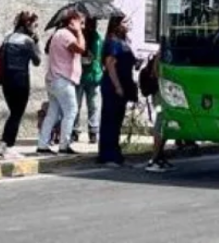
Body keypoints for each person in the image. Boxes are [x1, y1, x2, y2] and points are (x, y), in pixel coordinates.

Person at [36, 9, 86, 155]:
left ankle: (42, 145)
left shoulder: (59, 34)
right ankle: (64, 144)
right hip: (62, 80)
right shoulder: (66, 35)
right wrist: (79, 32)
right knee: (71, 111)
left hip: (55, 79)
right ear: (72, 22)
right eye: (80, 21)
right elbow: (81, 49)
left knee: (53, 113)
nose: (83, 23)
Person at [0, 11, 42, 159]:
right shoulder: (27, 41)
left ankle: (3, 145)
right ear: (27, 24)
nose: (36, 28)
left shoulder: (8, 38)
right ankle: (9, 146)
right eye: (35, 25)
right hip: (20, 80)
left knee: (13, 113)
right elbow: (37, 61)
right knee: (17, 114)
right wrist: (36, 42)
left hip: (6, 81)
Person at [97, 16, 137, 167]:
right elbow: (110, 65)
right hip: (114, 86)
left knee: (117, 121)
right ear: (116, 25)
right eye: (124, 22)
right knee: (110, 120)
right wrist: (118, 86)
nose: (127, 25)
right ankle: (107, 155)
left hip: (123, 84)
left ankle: (115, 153)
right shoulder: (113, 42)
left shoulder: (123, 42)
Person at [73, 18, 102, 144]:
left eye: (94, 23)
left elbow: (97, 55)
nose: (92, 25)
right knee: (76, 105)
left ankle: (93, 131)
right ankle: (75, 131)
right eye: (90, 23)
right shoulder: (79, 36)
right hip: (80, 75)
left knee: (93, 105)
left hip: (93, 76)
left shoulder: (97, 38)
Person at [144, 55, 173, 174]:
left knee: (163, 124)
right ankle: (154, 159)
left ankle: (159, 157)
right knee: (160, 124)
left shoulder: (165, 52)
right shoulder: (162, 53)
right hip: (161, 94)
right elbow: (156, 73)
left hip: (163, 93)